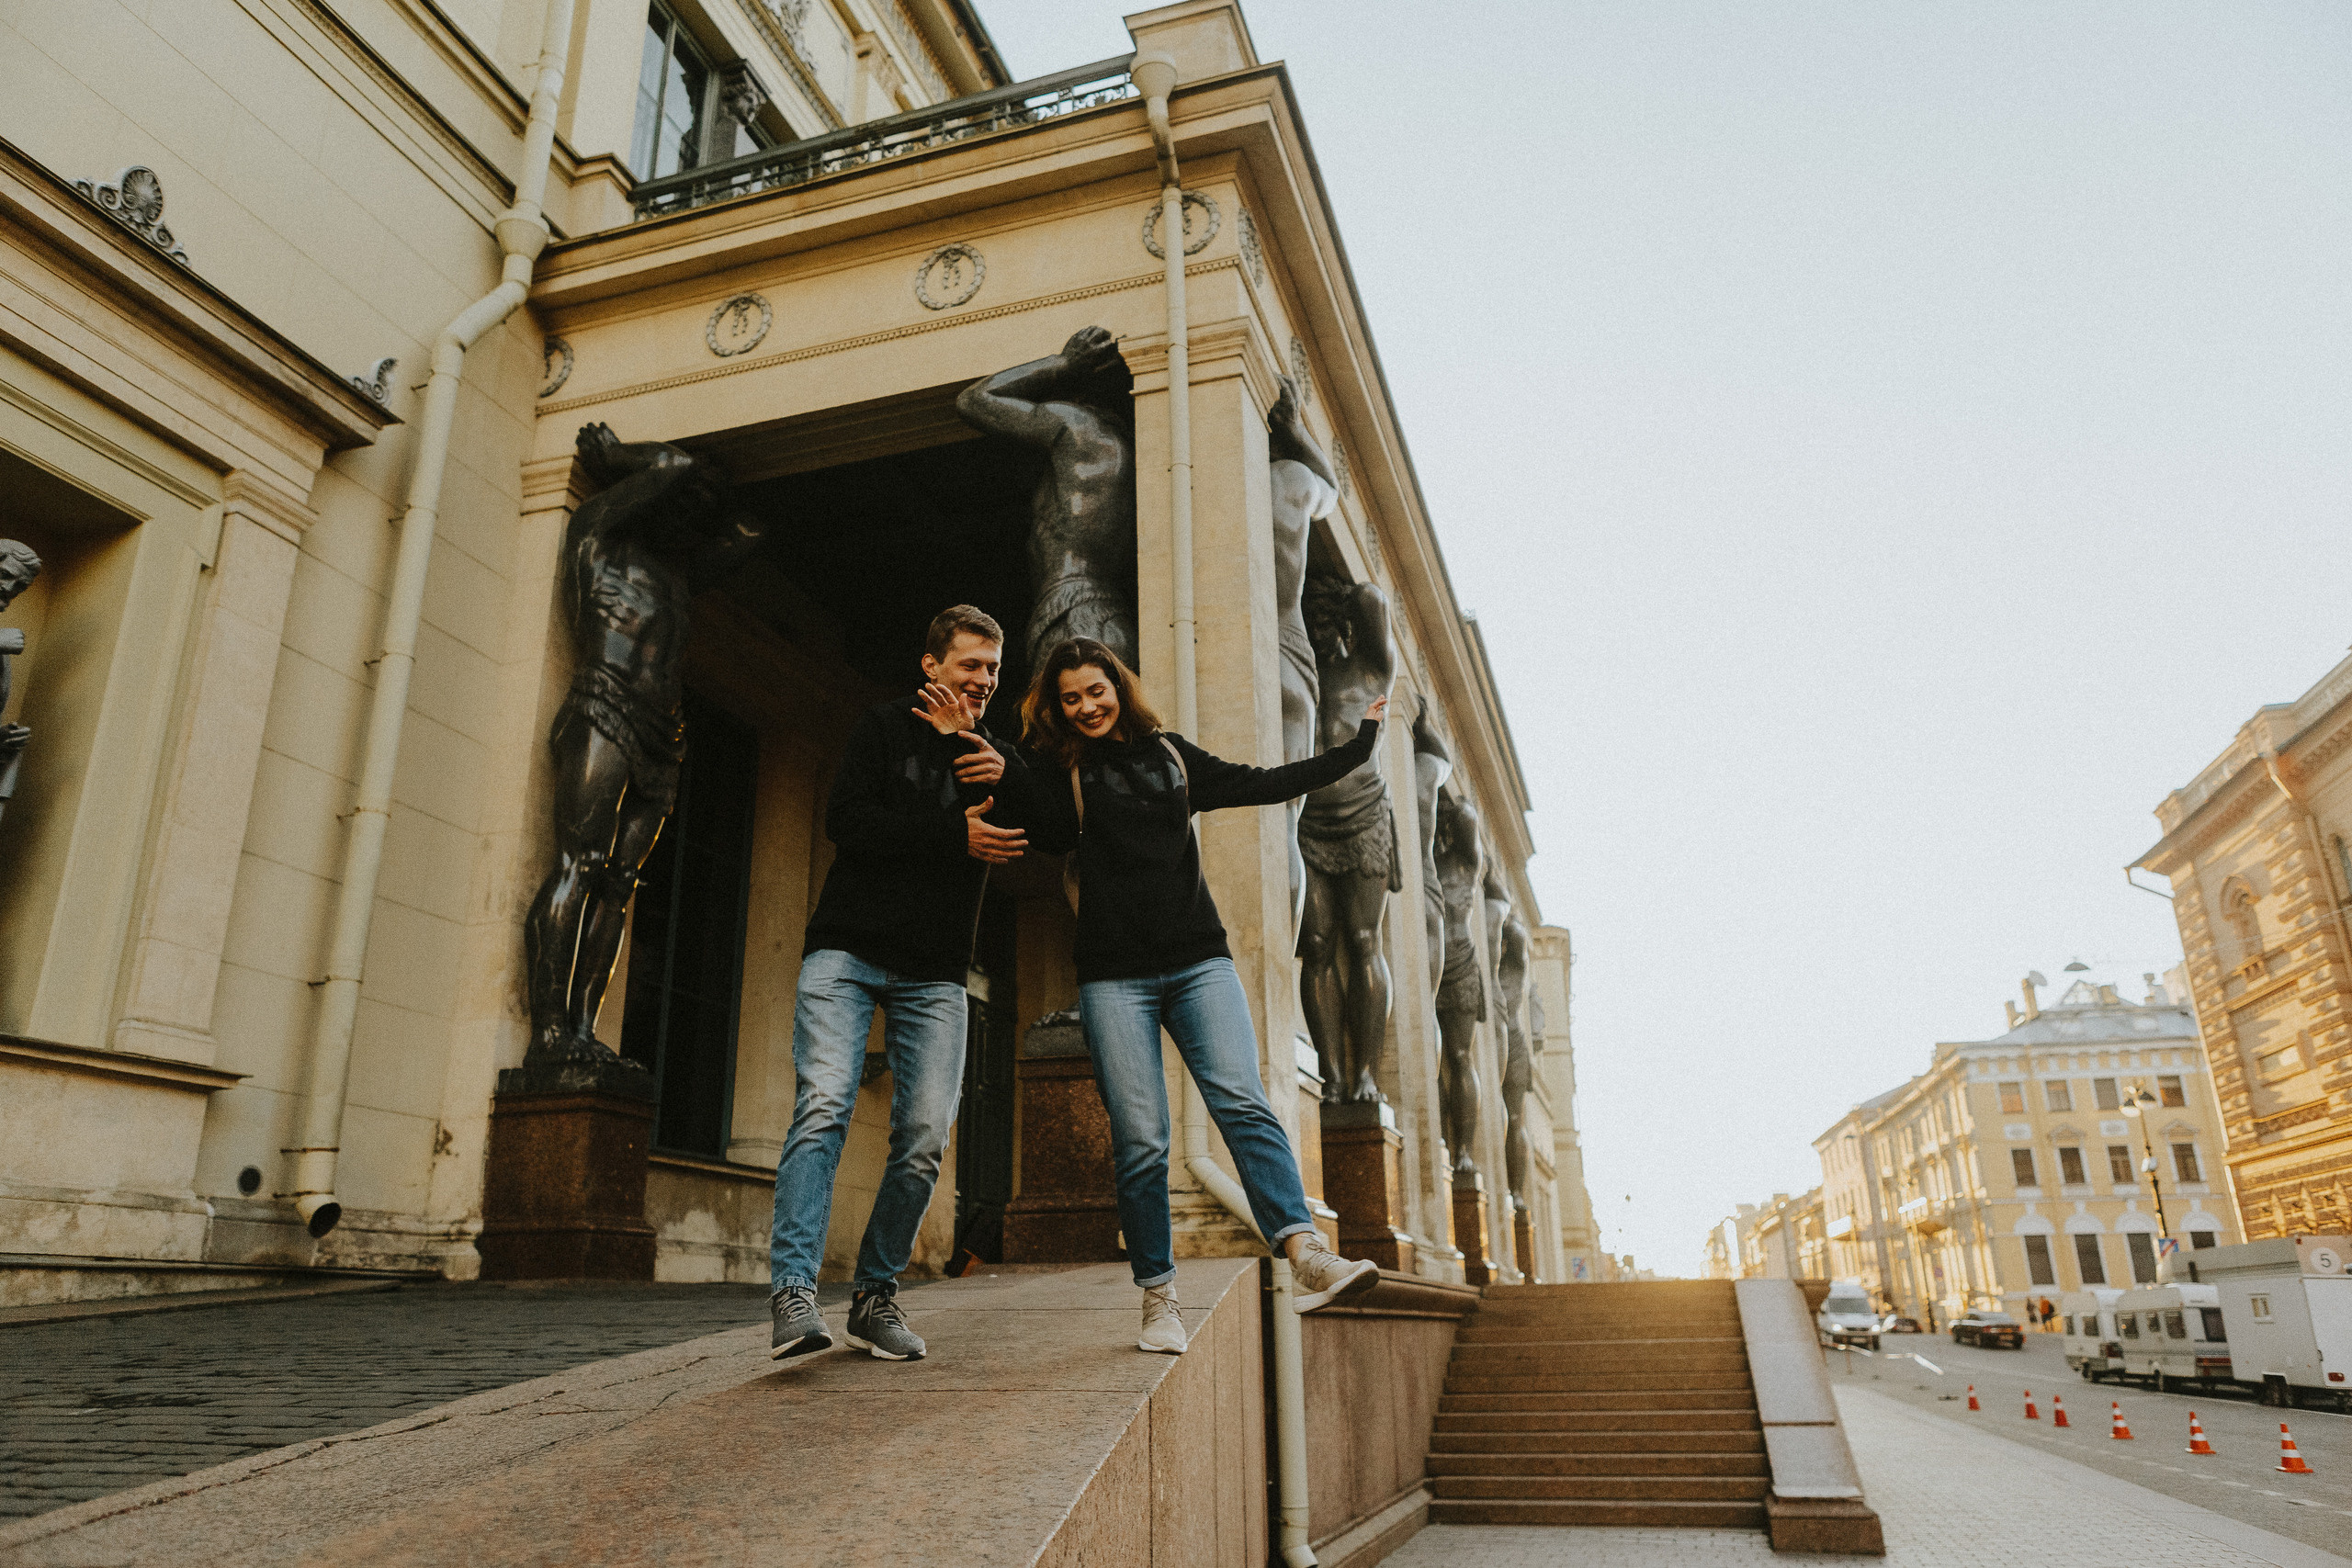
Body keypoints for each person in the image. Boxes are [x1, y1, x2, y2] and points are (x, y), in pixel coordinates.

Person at [1008, 637, 1385, 1354]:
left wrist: (1359, 745)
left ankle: (1307, 1253)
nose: (1088, 706)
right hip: (1112, 976)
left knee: (1242, 1101)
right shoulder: (1064, 773)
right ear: (1057, 709)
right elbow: (1032, 816)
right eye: (1071, 698)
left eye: (1098, 689)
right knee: (1144, 1140)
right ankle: (1159, 1298)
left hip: (1197, 964)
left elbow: (1265, 782)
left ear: (1119, 686)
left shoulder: (1171, 757)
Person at [768, 604, 1029, 1366]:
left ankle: (874, 1296)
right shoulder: (880, 729)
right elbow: (848, 821)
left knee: (922, 1136)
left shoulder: (991, 757)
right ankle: (793, 1292)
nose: (982, 681)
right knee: (823, 1106)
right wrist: (951, 833)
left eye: (992, 671)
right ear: (932, 665)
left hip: (936, 970)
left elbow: (1018, 826)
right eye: (970, 665)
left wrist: (965, 751)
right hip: (846, 950)